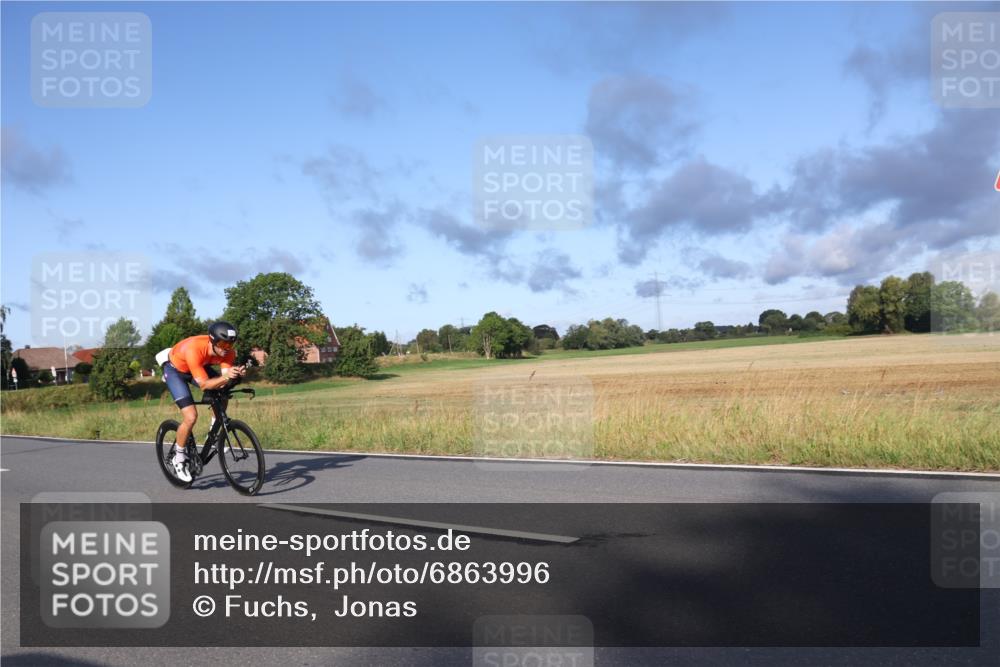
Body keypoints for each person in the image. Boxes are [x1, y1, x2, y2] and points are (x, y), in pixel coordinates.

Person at [159, 321, 246, 482]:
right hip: (175, 371)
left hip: (197, 367)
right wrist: (226, 377)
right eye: (221, 343)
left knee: (223, 393)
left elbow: (224, 380)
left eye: (229, 343)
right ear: (212, 340)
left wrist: (235, 376)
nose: (225, 347)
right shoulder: (195, 348)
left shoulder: (228, 352)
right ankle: (178, 458)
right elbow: (205, 384)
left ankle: (212, 435)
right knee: (191, 416)